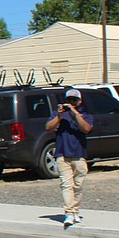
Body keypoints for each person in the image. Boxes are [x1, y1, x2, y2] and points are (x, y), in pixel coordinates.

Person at [45, 88, 94, 227]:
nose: (71, 102)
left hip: (79, 155)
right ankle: (69, 213)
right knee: (67, 185)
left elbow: (86, 129)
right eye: (69, 100)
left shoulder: (85, 115)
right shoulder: (58, 115)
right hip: (62, 154)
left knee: (78, 186)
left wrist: (74, 112)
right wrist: (60, 116)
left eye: (74, 100)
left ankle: (75, 210)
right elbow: (48, 127)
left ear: (79, 101)